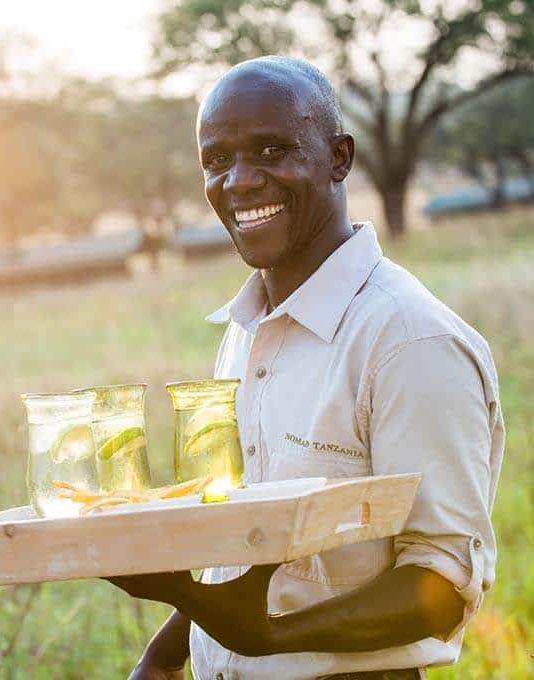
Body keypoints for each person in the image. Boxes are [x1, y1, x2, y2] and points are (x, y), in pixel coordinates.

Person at [108, 56, 504, 680]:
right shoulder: (248, 332)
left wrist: (269, 639)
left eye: (271, 150)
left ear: (339, 158)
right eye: (217, 160)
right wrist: (163, 657)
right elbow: (252, 551)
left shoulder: (408, 339)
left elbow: (443, 583)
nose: (238, 182)